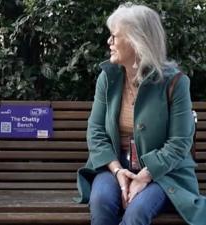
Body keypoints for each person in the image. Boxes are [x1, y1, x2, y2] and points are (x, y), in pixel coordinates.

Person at [75, 3, 206, 225]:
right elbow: (96, 132)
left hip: (164, 174)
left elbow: (180, 143)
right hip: (114, 167)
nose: (109, 42)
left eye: (115, 37)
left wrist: (145, 176)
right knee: (101, 201)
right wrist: (118, 172)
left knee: (137, 212)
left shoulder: (175, 82)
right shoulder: (107, 79)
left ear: (137, 42)